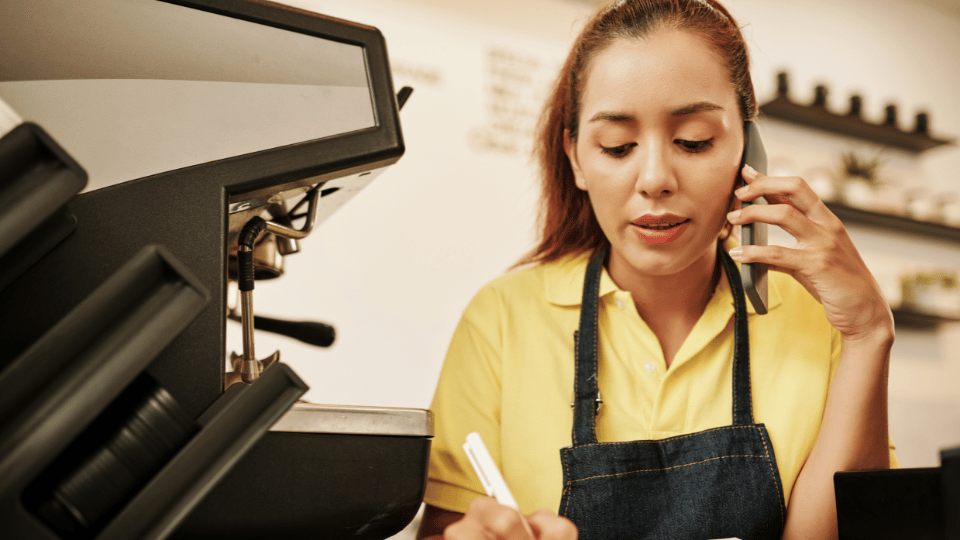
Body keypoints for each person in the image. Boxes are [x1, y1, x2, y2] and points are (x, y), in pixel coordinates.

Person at [417, 0, 896, 538]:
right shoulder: (502, 319)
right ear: (576, 158)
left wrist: (869, 333)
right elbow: (446, 526)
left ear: (747, 148)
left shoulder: (817, 323)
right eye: (617, 146)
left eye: (694, 141)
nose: (654, 179)